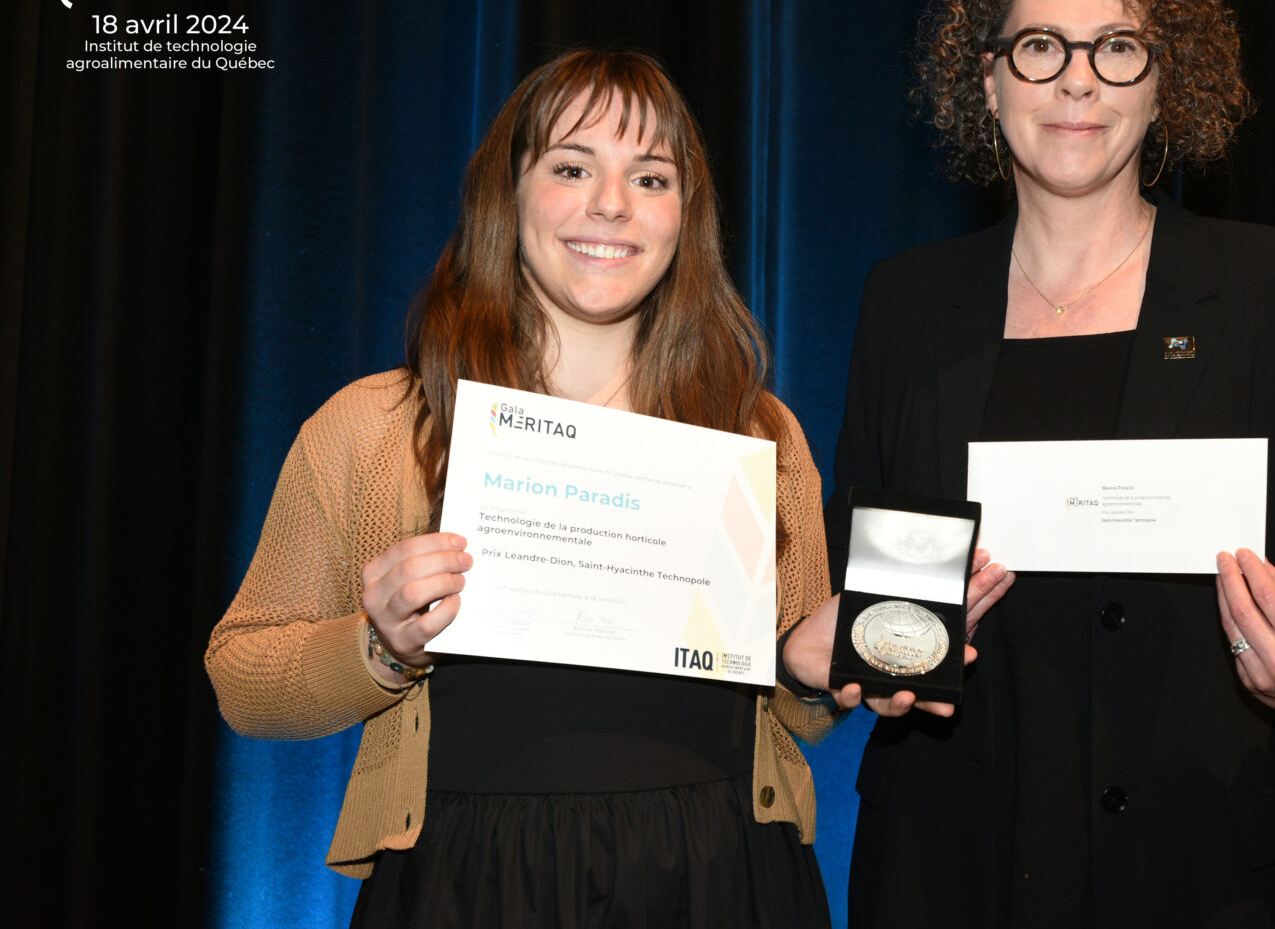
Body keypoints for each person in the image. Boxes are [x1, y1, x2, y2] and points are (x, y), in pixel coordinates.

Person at [205, 47, 1006, 927]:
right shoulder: (378, 426)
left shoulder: (758, 434)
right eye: (572, 167)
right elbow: (243, 680)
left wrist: (809, 666)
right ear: (506, 196)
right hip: (469, 888)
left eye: (651, 178)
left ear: (684, 218)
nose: (611, 205)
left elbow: (799, 717)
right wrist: (381, 645)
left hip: (722, 877)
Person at [829, 0, 1275, 927]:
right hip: (947, 864)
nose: (1077, 80)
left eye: (1118, 48)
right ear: (988, 78)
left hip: (1208, 869)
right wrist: (884, 662)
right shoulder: (908, 302)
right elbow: (871, 566)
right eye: (1040, 47)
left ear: (1163, 83)